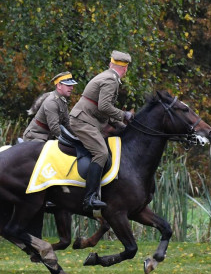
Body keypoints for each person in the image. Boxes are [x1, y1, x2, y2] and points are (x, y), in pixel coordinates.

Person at [67, 50, 134, 211]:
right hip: (83, 121)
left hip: (88, 119)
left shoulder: (107, 76)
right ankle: (90, 197)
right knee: (101, 153)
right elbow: (104, 106)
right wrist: (124, 115)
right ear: (124, 69)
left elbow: (102, 109)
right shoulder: (111, 80)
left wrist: (123, 126)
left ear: (111, 64)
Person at [22, 71, 79, 142]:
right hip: (35, 136)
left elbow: (67, 123)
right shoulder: (51, 102)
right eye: (68, 85)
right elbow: (54, 128)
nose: (72, 88)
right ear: (59, 86)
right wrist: (70, 139)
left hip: (47, 137)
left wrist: (78, 136)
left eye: (72, 85)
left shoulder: (62, 100)